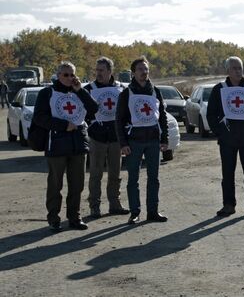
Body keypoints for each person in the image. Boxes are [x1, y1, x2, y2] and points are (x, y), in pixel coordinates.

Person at [33, 61, 99, 232]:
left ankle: (74, 217)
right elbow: (40, 118)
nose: (69, 78)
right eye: (65, 75)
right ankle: (54, 218)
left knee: (77, 184)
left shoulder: (80, 92)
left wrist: (80, 90)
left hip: (78, 144)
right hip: (56, 144)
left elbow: (94, 108)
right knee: (55, 184)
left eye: (72, 75)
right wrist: (63, 125)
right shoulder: (47, 93)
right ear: (58, 75)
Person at [207, 56, 244, 218]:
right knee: (227, 174)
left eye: (240, 68)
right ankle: (228, 205)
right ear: (227, 70)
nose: (238, 71)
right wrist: (219, 132)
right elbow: (210, 114)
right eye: (234, 68)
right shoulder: (219, 89)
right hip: (227, 140)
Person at [115, 57, 169, 224]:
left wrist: (164, 138)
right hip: (134, 142)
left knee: (154, 178)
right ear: (133, 72)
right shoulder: (126, 93)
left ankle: (153, 211)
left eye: (146, 69)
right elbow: (119, 120)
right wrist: (123, 144)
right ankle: (135, 212)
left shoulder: (155, 91)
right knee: (133, 179)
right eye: (140, 69)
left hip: (153, 141)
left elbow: (162, 117)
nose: (144, 72)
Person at [85, 57, 130, 218]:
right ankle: (94, 206)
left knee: (115, 173)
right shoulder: (89, 89)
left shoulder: (121, 88)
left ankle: (115, 203)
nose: (98, 73)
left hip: (115, 137)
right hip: (97, 137)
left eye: (102, 70)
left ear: (110, 71)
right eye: (96, 70)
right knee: (95, 173)